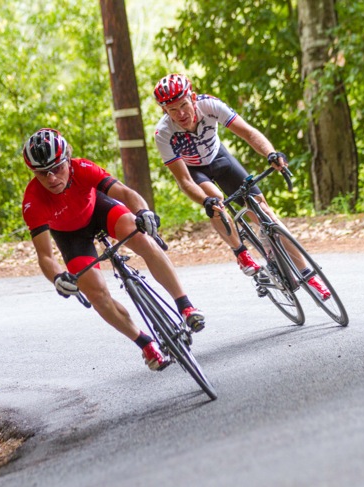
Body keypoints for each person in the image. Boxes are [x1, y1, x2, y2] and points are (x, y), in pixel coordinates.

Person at [21, 128, 207, 371]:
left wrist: (143, 212)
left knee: (142, 238)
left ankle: (185, 306)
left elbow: (124, 193)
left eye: (57, 168)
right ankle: (145, 343)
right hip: (71, 237)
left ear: (67, 158)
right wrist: (57, 278)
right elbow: (45, 256)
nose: (52, 178)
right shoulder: (33, 200)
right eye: (42, 173)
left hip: (98, 211)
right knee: (95, 293)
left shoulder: (83, 168)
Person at [151, 73, 330, 300]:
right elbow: (184, 180)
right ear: (164, 111)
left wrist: (271, 154)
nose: (181, 114)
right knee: (215, 199)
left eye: (184, 105)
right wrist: (205, 202)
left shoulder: (210, 105)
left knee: (265, 213)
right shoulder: (163, 133)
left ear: (193, 97)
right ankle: (240, 251)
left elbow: (248, 132)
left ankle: (308, 274)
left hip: (219, 158)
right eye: (172, 110)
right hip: (194, 170)